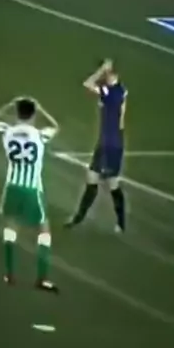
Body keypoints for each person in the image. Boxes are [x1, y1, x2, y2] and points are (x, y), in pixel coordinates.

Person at [0, 96, 59, 293]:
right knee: (44, 230)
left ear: (17, 113)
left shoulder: (7, 131)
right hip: (32, 188)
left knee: (11, 227)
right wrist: (41, 108)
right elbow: (55, 127)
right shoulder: (39, 135)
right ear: (33, 115)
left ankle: (9, 273)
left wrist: (10, 103)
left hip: (12, 186)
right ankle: (42, 277)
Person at [65, 59, 127, 233]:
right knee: (95, 179)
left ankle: (118, 221)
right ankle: (80, 218)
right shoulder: (121, 91)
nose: (105, 76)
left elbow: (87, 83)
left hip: (109, 145)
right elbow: (121, 116)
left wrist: (101, 69)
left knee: (109, 183)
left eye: (108, 74)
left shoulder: (110, 91)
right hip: (111, 143)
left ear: (113, 75)